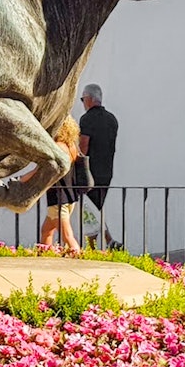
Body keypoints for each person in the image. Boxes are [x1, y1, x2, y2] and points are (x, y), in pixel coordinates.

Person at [22, 116, 84, 254]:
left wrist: (21, 179)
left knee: (68, 237)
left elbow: (39, 170)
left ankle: (80, 262)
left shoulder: (57, 148)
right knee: (46, 231)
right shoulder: (71, 146)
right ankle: (45, 256)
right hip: (69, 197)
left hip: (58, 200)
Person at [78, 83, 122, 249]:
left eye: (83, 99)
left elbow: (84, 146)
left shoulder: (87, 119)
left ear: (89, 99)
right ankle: (109, 241)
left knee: (90, 210)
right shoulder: (112, 119)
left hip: (90, 172)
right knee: (96, 208)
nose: (83, 103)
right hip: (107, 172)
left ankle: (94, 246)